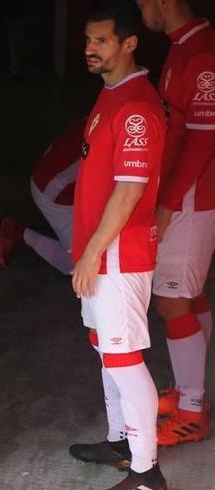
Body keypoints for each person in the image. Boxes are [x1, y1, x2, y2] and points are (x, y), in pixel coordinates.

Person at [66, 1, 167, 490]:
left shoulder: (136, 107)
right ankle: (122, 441)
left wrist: (91, 254)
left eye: (101, 40)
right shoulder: (111, 95)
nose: (90, 48)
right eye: (88, 39)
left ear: (129, 43)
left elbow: (129, 191)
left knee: (124, 357)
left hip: (119, 256)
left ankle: (148, 473)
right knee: (105, 349)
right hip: (101, 252)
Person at [136, 0, 215, 446]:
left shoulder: (200, 54)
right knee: (191, 293)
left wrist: (166, 206)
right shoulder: (181, 46)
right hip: (187, 199)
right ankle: (192, 394)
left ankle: (191, 409)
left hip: (190, 201)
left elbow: (203, 142)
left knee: (171, 303)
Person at [0, 119, 86, 275]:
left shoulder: (110, 112)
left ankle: (17, 231)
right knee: (84, 265)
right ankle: (17, 232)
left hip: (60, 180)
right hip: (55, 192)